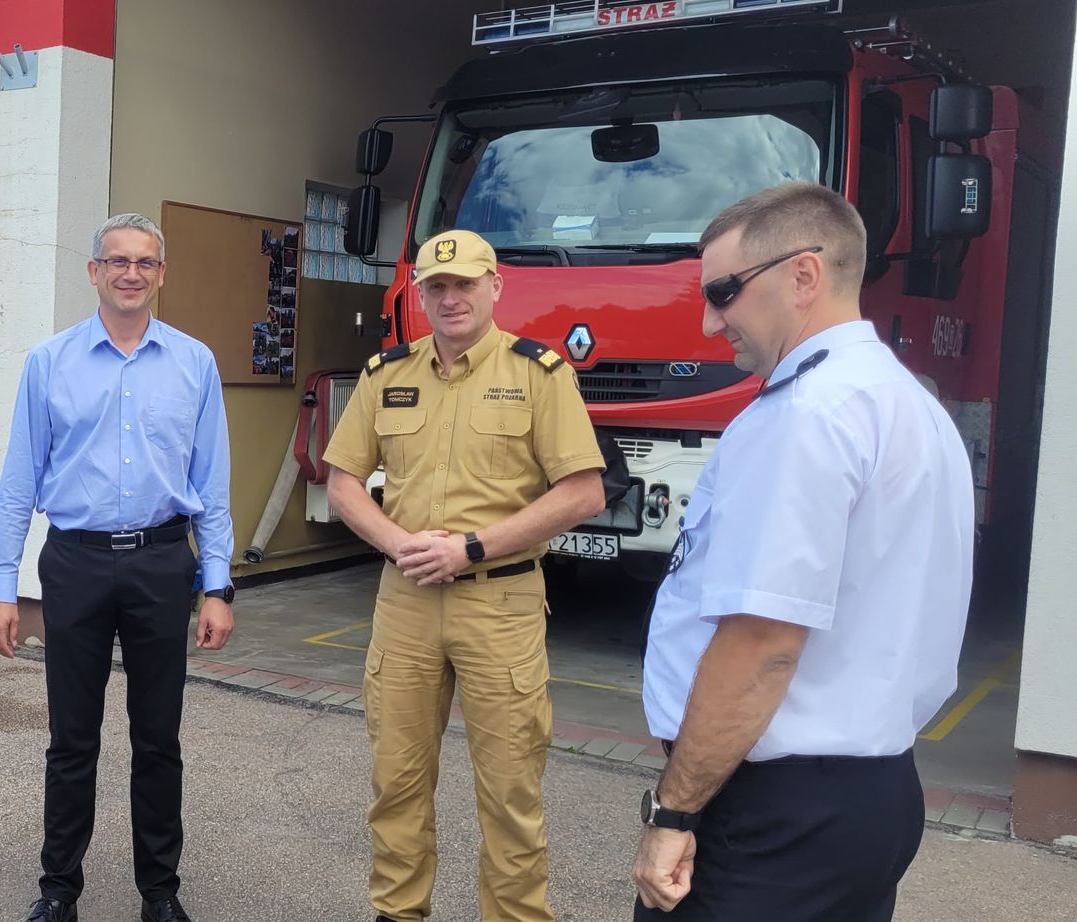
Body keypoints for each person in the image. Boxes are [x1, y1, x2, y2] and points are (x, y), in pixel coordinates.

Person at [631, 183, 973, 920]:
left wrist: (674, 812)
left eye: (722, 292)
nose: (710, 320)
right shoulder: (911, 402)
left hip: (774, 815)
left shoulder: (804, 415)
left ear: (804, 275)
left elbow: (762, 642)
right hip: (871, 793)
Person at [322, 229, 607, 922]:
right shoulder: (387, 374)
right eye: (437, 287)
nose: (451, 298)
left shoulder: (538, 374)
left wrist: (472, 549)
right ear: (420, 295)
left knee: (510, 792)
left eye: (465, 284)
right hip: (406, 601)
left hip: (499, 602)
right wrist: (399, 544)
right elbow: (343, 483)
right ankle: (398, 913)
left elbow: (582, 493)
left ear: (495, 287)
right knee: (396, 782)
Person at [0, 212, 236, 922]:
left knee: (158, 739)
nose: (131, 273)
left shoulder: (194, 363)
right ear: (94, 271)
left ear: (162, 274)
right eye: (117, 261)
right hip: (77, 564)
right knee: (72, 739)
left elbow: (212, 483)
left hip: (162, 563)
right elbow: (19, 479)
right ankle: (58, 890)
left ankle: (160, 892)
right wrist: (1, 586)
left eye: (145, 262)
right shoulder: (49, 362)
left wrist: (217, 584)